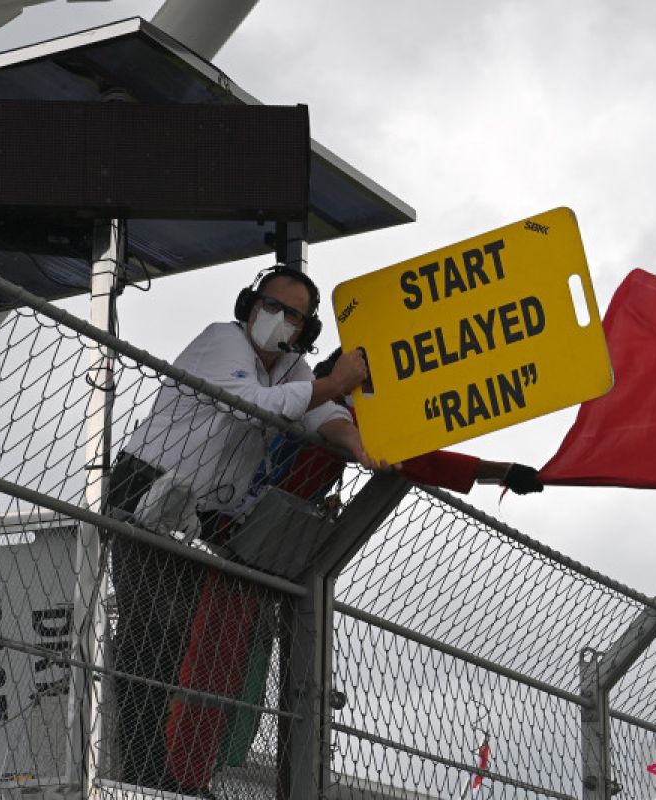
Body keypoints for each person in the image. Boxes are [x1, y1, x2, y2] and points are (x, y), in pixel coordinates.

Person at [105, 265, 374, 792]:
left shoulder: (293, 369)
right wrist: (336, 383)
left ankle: (157, 768)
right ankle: (138, 768)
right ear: (248, 306)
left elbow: (316, 419)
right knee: (148, 630)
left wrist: (362, 447)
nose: (278, 320)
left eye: (293, 316)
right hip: (148, 484)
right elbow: (251, 405)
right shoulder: (221, 341)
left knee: (176, 637)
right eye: (270, 306)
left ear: (306, 331)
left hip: (198, 508)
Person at [247, 347, 544, 507]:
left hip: (270, 514)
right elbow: (417, 457)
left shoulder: (308, 400)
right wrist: (503, 471)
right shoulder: (336, 409)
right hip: (250, 512)